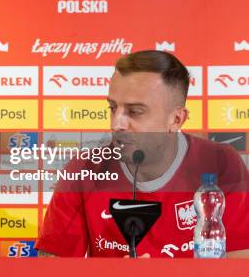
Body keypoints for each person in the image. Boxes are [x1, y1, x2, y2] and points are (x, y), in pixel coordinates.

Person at [36, 50, 249, 257]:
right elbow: (51, 269)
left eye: (135, 112)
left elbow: (239, 266)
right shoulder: (84, 169)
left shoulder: (221, 164)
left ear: (176, 120)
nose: (116, 123)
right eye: (112, 107)